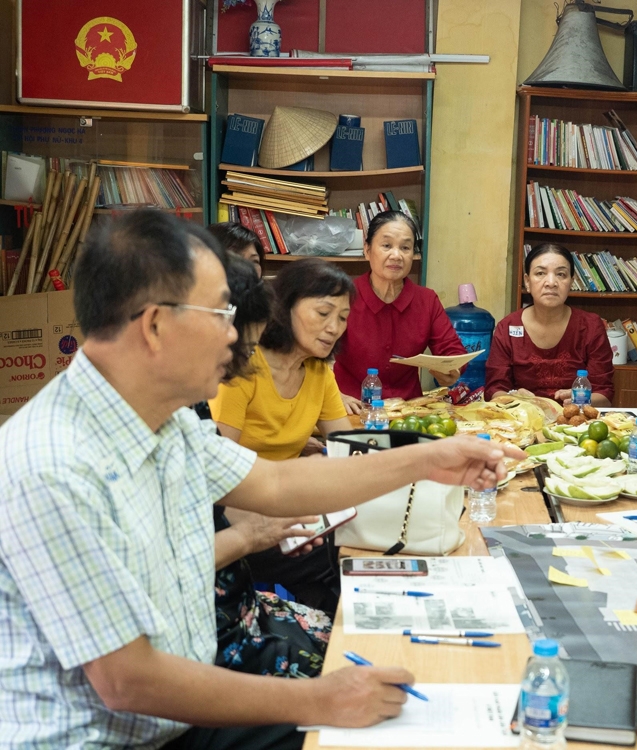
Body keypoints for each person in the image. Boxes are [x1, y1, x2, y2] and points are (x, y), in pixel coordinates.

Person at [0, 209, 522, 749]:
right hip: (112, 736)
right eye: (219, 315)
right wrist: (320, 700)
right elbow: (128, 681)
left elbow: (275, 486)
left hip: (179, 705)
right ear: (155, 325)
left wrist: (428, 459)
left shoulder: (164, 416)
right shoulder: (52, 465)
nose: (234, 336)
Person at [204, 255, 333, 677]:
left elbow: (242, 483)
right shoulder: (68, 457)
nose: (237, 364)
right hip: (217, 642)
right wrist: (250, 534)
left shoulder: (185, 416)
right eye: (323, 313)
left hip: (238, 610)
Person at [210, 257, 353, 461]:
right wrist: (299, 471)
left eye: (342, 318)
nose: (334, 328)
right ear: (285, 306)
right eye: (323, 313)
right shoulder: (242, 365)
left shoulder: (319, 373)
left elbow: (348, 449)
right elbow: (220, 466)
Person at [333, 210, 468, 408]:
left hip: (408, 411)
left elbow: (453, 352)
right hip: (351, 408)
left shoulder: (426, 300)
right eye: (386, 245)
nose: (396, 255)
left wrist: (452, 370)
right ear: (367, 249)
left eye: (405, 247)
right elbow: (310, 358)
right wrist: (335, 396)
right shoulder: (343, 296)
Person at [484, 243, 613, 405]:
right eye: (540, 273)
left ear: (571, 282)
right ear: (527, 281)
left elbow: (604, 394)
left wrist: (580, 400)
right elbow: (494, 390)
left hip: (575, 421)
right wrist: (514, 399)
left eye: (561, 274)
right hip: (524, 420)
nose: (551, 282)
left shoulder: (590, 326)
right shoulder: (507, 327)